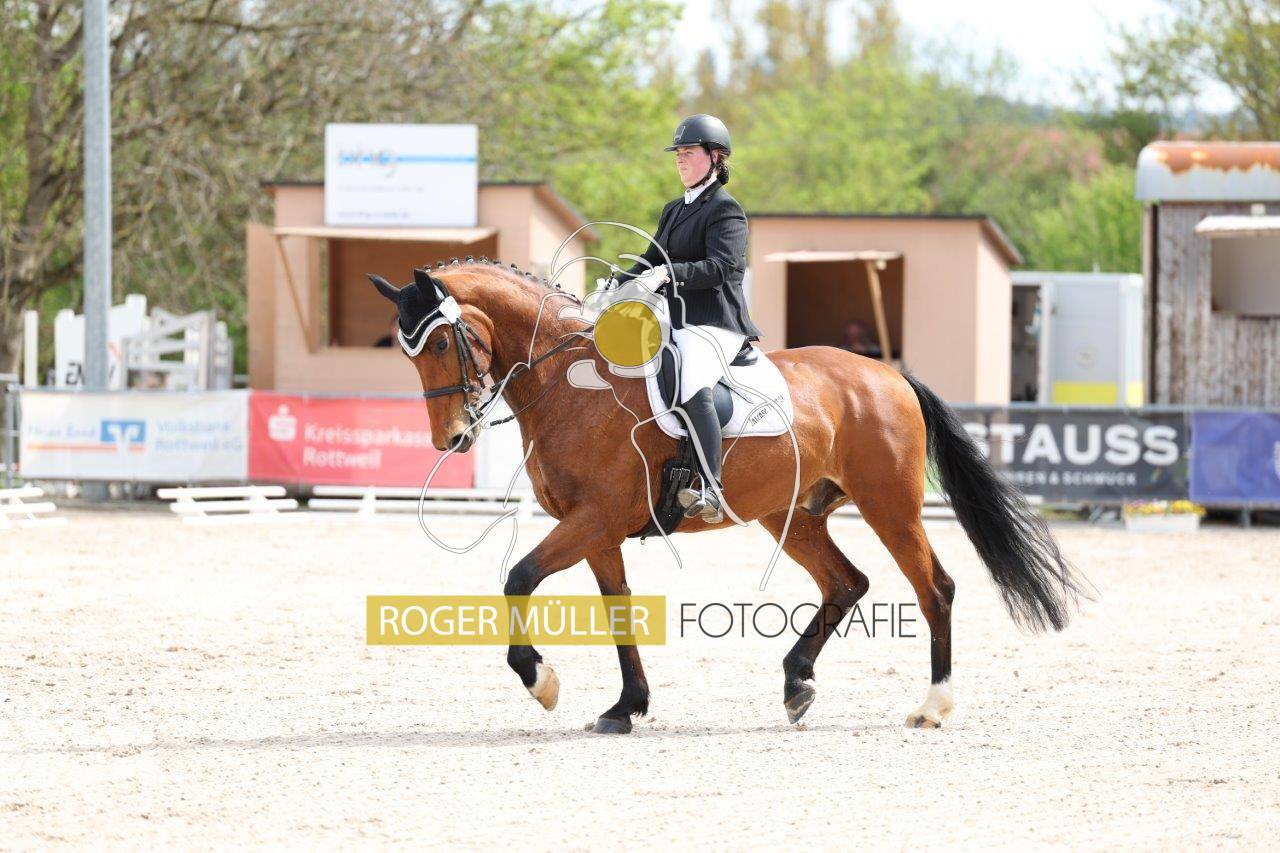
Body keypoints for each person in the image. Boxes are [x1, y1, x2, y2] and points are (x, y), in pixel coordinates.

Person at [613, 114, 762, 523]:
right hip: (675, 320)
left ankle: (712, 487)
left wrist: (669, 274)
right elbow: (650, 259)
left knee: (693, 383)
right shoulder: (674, 209)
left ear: (715, 158)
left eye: (689, 152)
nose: (680, 159)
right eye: (678, 153)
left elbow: (722, 267)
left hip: (715, 324)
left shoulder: (726, 210)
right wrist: (617, 279)